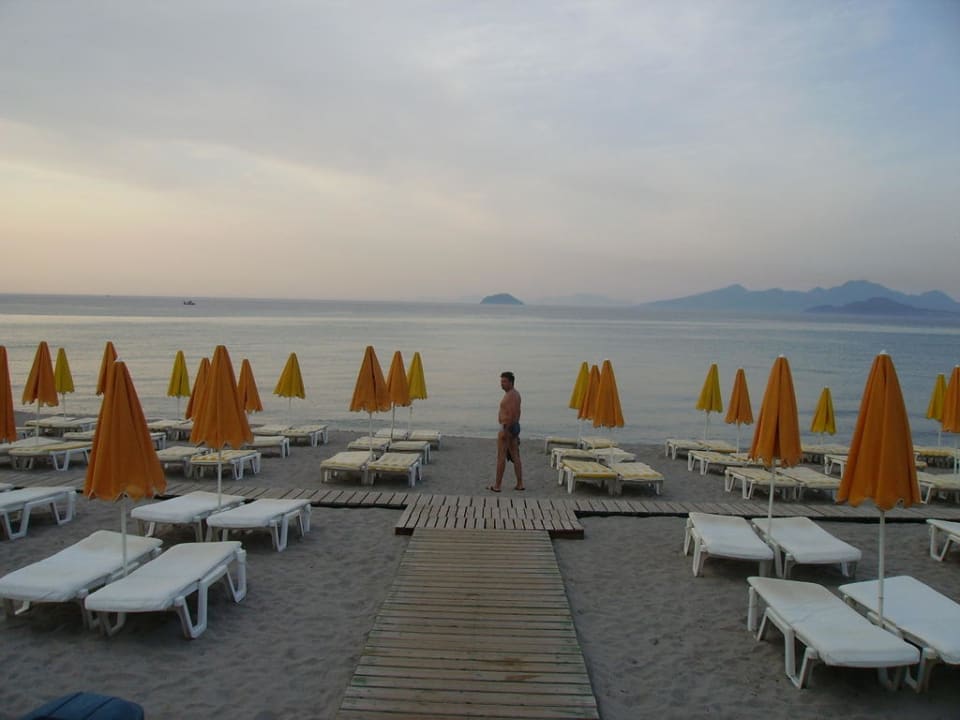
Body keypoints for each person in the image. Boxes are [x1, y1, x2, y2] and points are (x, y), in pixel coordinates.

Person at [489, 371, 523, 492]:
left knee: (501, 457)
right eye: (501, 381)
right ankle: (520, 484)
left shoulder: (511, 395)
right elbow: (518, 413)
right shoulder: (514, 394)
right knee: (515, 456)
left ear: (510, 382)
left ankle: (497, 486)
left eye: (504, 381)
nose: (501, 384)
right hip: (513, 428)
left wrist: (507, 431)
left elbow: (513, 414)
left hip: (507, 428)